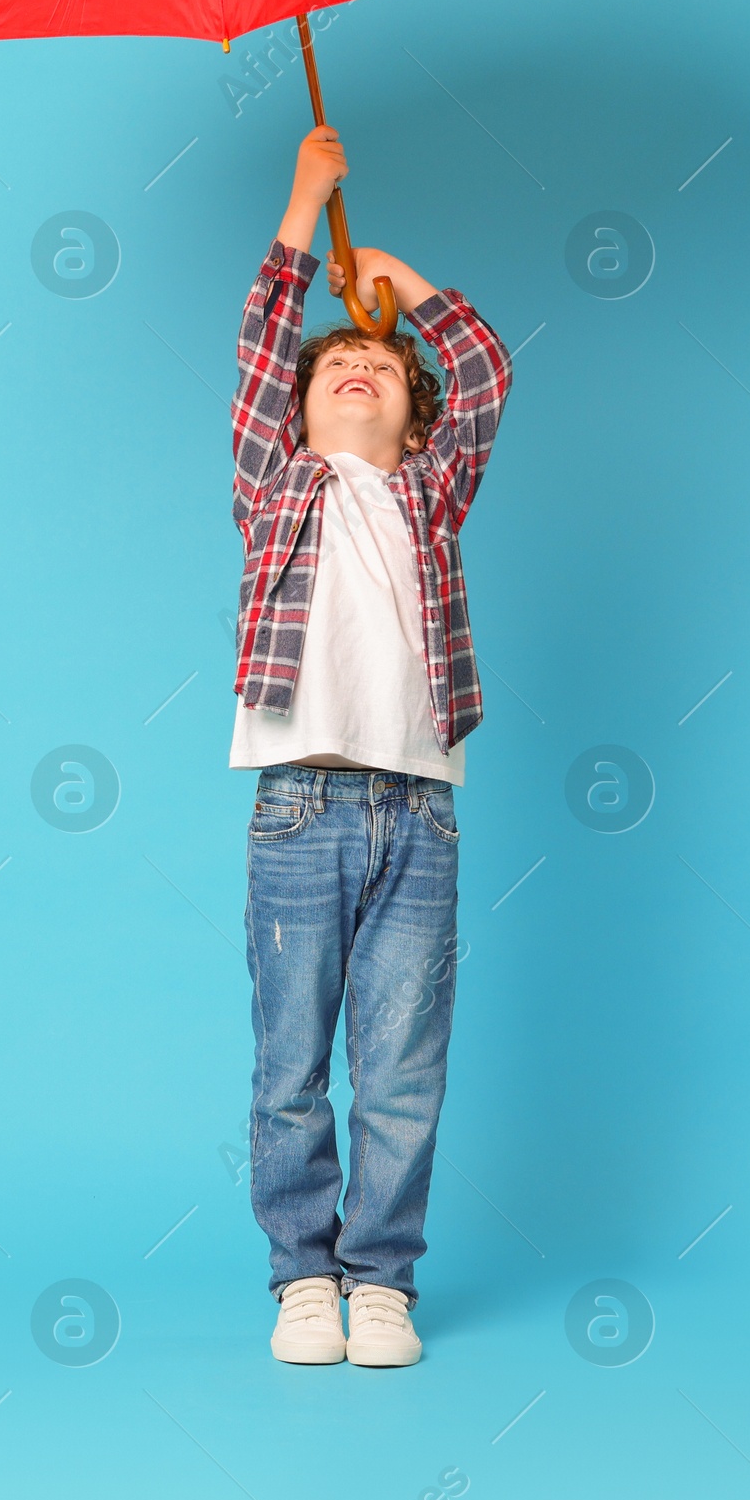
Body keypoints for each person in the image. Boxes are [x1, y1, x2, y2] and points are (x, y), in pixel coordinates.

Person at [230, 123, 512, 1367]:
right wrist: (304, 211)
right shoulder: (277, 482)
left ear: (413, 413)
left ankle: (380, 1277)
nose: (356, 365)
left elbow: (487, 371)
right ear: (296, 411)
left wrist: (401, 282)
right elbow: (254, 357)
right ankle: (302, 1276)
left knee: (401, 1064)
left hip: (421, 809)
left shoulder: (428, 493)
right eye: (334, 361)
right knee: (293, 1059)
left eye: (380, 365)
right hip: (299, 804)